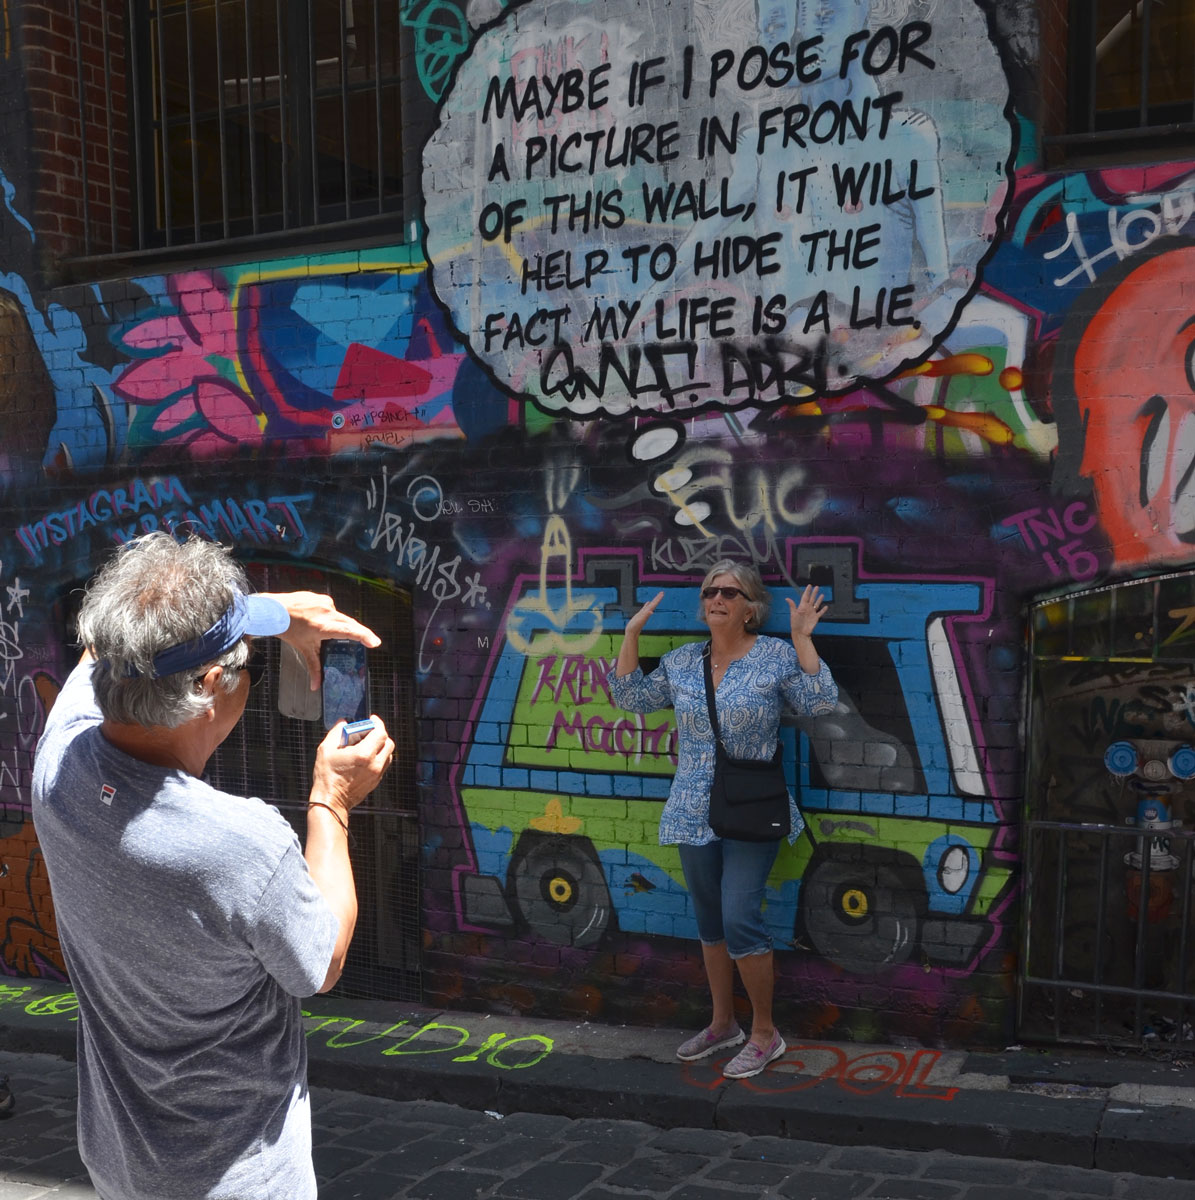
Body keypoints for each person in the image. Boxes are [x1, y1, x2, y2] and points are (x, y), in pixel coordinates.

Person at [31, 532, 395, 1200]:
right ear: (208, 685)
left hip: (117, 1160)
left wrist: (274, 615)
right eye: (245, 661)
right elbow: (320, 964)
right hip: (237, 1180)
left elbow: (103, 644)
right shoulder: (241, 844)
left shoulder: (60, 763)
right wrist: (332, 800)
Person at [608, 560, 837, 1079]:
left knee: (739, 917)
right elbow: (630, 698)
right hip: (692, 806)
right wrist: (630, 635)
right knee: (710, 921)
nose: (716, 599)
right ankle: (722, 1024)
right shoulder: (684, 662)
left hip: (751, 807)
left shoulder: (774, 656)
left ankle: (764, 1032)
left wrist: (802, 637)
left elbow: (821, 701)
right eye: (710, 591)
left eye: (729, 593)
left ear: (750, 606)